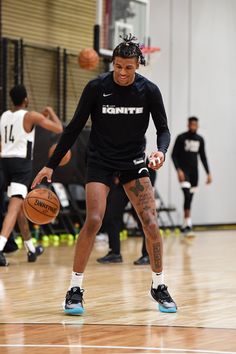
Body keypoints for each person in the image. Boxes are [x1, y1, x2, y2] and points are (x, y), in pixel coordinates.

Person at [32, 34, 177, 314]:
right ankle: (75, 289)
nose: (123, 73)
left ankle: (159, 285)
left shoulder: (149, 91)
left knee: (150, 221)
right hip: (100, 161)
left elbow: (164, 129)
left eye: (129, 68)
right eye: (118, 66)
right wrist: (51, 163)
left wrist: (161, 150)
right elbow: (73, 127)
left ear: (138, 65)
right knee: (94, 219)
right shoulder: (96, 87)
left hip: (134, 162)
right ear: (113, 63)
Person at [0, 84, 63, 266]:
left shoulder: (4, 116)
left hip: (5, 163)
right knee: (14, 208)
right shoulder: (30, 115)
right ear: (26, 99)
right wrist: (50, 111)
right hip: (21, 164)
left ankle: (31, 249)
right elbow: (58, 128)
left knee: (19, 207)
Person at [171, 116, 212, 233]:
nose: (193, 126)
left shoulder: (200, 139)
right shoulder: (181, 137)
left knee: (190, 198)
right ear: (188, 125)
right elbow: (173, 155)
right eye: (191, 124)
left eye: (195, 125)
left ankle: (185, 224)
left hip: (195, 173)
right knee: (187, 195)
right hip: (184, 172)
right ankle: (188, 221)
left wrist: (208, 173)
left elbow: (203, 157)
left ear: (197, 126)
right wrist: (178, 170)